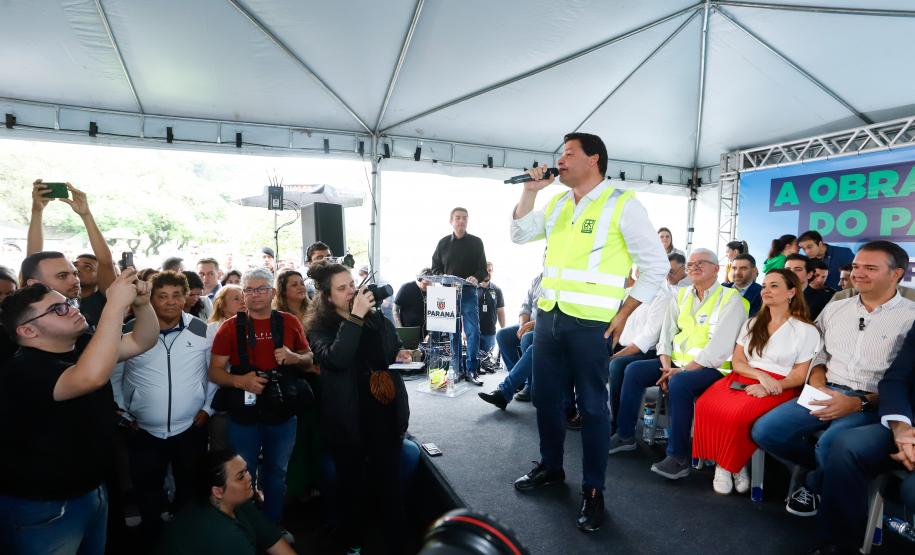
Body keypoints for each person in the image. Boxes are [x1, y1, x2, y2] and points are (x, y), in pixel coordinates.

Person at [509, 132, 668, 532]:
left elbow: (656, 266)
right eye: (560, 154)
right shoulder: (558, 202)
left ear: (593, 159)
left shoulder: (622, 204)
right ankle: (551, 466)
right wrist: (529, 192)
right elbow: (519, 234)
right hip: (549, 318)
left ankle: (594, 490)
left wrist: (625, 312)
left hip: (593, 324)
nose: (560, 161)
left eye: (568, 153)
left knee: (593, 408)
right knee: (546, 399)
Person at [752, 241, 915, 518]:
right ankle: (827, 471)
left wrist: (858, 403)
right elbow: (818, 352)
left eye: (870, 268)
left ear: (896, 274)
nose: (858, 273)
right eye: (856, 266)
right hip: (825, 389)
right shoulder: (837, 307)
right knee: (767, 431)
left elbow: (905, 382)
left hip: (872, 403)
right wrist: (817, 382)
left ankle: (814, 484)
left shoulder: (910, 316)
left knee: (831, 444)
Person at [0, 270, 159, 555]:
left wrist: (143, 305)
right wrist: (114, 306)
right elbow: (90, 377)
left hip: (91, 489)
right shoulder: (23, 369)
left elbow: (142, 340)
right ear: (28, 331)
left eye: (68, 303)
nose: (71, 309)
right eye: (57, 309)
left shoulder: (82, 345)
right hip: (45, 505)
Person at [609, 249, 748, 481]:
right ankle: (625, 435)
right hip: (675, 364)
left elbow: (719, 348)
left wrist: (679, 371)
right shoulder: (681, 295)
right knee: (633, 370)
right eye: (691, 264)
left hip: (713, 369)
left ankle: (678, 458)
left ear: (716, 269)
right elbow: (666, 336)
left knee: (680, 383)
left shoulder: (731, 299)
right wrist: (666, 365)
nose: (694, 267)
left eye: (701, 263)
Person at [305, 261, 412, 554]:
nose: (351, 291)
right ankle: (353, 543)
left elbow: (391, 347)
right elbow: (337, 358)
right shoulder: (319, 328)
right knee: (352, 488)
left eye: (352, 284)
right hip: (348, 418)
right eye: (342, 288)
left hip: (384, 411)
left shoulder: (375, 318)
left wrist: (400, 353)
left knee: (389, 484)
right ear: (328, 298)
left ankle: (397, 543)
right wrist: (355, 317)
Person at [692, 269, 819, 495]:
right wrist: (760, 376)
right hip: (747, 376)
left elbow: (800, 375)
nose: (766, 290)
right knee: (705, 404)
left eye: (774, 286)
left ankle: (727, 465)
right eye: (765, 286)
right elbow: (738, 362)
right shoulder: (752, 323)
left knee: (738, 415)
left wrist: (770, 385)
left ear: (791, 292)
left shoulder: (806, 330)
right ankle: (731, 463)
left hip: (782, 385)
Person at [111, 271, 216, 542]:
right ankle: (152, 539)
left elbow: (212, 373)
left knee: (189, 488)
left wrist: (208, 408)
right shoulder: (130, 330)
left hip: (190, 428)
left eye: (176, 295)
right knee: (147, 490)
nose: (170, 302)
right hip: (143, 430)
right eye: (162, 296)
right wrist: (122, 412)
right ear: (150, 299)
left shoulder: (201, 329)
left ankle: (184, 538)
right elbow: (114, 375)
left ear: (186, 297)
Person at [207, 268, 314, 526]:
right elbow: (215, 371)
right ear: (244, 294)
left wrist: (294, 357)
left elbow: (309, 358)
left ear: (273, 292)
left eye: (262, 289)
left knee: (276, 472)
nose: (255, 295)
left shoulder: (289, 322)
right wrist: (240, 381)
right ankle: (246, 529)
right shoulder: (229, 327)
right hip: (244, 412)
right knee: (243, 474)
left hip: (283, 409)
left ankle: (272, 528)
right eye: (250, 290)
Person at [811, 321, 915, 554]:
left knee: (911, 490)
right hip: (906, 424)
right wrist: (900, 427)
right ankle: (838, 544)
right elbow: (896, 379)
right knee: (846, 445)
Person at [155, 449, 295, 555]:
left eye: (246, 470)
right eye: (240, 477)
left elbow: (272, 539)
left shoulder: (237, 501)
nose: (249, 478)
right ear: (218, 491)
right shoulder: (224, 535)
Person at [27, 180, 117, 328]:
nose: (78, 271)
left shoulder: (105, 299)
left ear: (99, 277)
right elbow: (33, 260)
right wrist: (37, 212)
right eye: (75, 266)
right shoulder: (46, 300)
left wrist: (86, 215)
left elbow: (105, 262)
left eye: (87, 267)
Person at [607, 270, 672, 436]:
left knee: (616, 365)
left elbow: (646, 339)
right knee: (584, 353)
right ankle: (586, 414)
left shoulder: (662, 297)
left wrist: (613, 356)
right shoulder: (629, 293)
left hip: (646, 351)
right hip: (621, 346)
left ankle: (618, 426)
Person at [431, 207, 489, 386]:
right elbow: (435, 268)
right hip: (448, 292)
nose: (461, 221)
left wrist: (476, 277)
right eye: (457, 218)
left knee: (473, 331)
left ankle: (472, 370)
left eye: (464, 218)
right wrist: (442, 276)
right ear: (451, 221)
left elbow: (483, 269)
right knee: (453, 333)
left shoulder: (476, 242)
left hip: (469, 291)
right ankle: (456, 369)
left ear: (468, 220)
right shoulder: (442, 243)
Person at [495, 273, 541, 401]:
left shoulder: (560, 280)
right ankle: (518, 381)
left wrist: (533, 324)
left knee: (527, 338)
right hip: (529, 323)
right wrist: (522, 326)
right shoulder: (537, 280)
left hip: (545, 326)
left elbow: (555, 316)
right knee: (502, 335)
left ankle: (530, 387)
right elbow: (526, 307)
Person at [785, 254, 833, 320]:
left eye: (798, 269)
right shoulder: (775, 296)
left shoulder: (825, 299)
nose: (791, 273)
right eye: (787, 269)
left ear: (809, 274)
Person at [478, 261, 505, 367]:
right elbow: (465, 312)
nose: (487, 273)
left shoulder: (497, 290)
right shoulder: (472, 289)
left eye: (490, 270)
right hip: (474, 333)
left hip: (490, 333)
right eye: (485, 270)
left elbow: (500, 311)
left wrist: (504, 330)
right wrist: (465, 331)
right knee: (475, 363)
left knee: (486, 364)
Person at [393, 268, 431, 337]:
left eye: (430, 284)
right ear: (419, 279)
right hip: (409, 332)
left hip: (426, 334)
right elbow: (395, 310)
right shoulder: (406, 288)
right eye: (425, 284)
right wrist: (401, 330)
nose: (428, 286)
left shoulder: (432, 291)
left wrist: (430, 334)